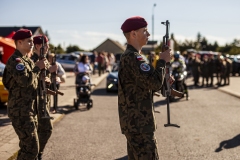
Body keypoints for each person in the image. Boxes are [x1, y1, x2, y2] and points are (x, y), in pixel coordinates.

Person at [118, 16, 171, 160]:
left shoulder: (132, 56)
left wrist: (163, 77)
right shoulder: (134, 57)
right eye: (145, 31)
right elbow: (154, 83)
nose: (148, 34)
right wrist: (162, 61)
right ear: (134, 34)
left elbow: (145, 84)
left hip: (135, 123)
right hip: (139, 124)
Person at [2, 29, 47, 159]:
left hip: (29, 109)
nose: (32, 43)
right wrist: (38, 67)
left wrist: (43, 80)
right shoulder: (16, 61)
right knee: (32, 149)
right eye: (29, 41)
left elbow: (32, 82)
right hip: (20, 111)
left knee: (27, 148)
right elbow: (25, 81)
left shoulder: (26, 61)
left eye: (32, 41)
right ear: (20, 42)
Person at [32, 35, 57, 160]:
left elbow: (42, 80)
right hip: (34, 102)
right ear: (38, 46)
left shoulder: (44, 60)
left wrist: (48, 78)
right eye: (46, 45)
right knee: (41, 131)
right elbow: (27, 80)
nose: (48, 47)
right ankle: (37, 154)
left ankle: (38, 153)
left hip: (43, 100)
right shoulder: (31, 60)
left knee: (45, 130)